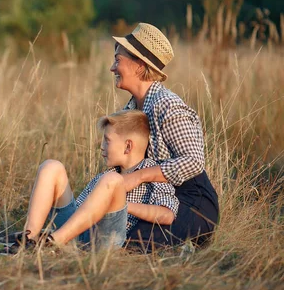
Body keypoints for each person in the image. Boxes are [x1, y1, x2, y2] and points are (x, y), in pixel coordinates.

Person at [111, 23, 219, 249]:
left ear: (140, 66)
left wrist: (139, 177)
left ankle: (186, 247)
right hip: (156, 198)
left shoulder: (167, 106)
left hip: (191, 201)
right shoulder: (131, 109)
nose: (113, 68)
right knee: (109, 235)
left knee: (132, 245)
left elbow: (194, 161)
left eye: (118, 60)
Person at [15, 110, 179, 250]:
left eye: (107, 141)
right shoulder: (103, 176)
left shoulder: (152, 173)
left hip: (107, 238)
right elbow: (81, 210)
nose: (102, 146)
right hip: (79, 232)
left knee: (113, 180)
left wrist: (123, 206)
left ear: (128, 146)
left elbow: (167, 215)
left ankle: (53, 242)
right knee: (51, 166)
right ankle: (30, 239)